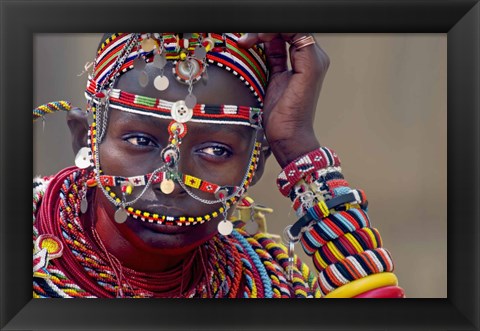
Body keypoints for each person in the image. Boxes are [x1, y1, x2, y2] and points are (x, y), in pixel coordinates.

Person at [33, 33, 405, 298]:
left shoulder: (271, 284)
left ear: (254, 165)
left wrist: (299, 151)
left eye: (215, 151)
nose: (170, 182)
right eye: (140, 141)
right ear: (85, 138)